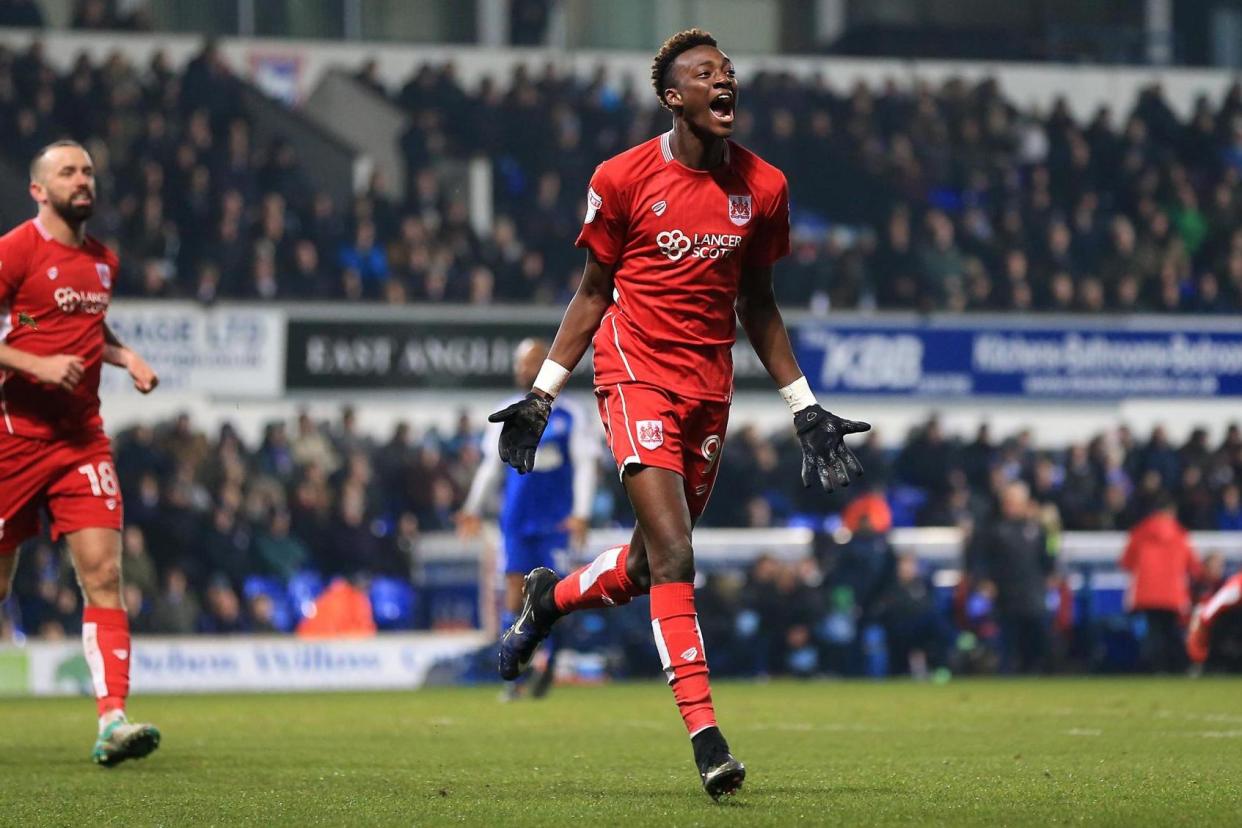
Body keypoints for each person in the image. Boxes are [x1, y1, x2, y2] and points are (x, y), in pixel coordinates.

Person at [487, 29, 869, 800]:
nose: (723, 80)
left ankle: (549, 598)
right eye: (705, 73)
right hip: (635, 376)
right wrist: (544, 393)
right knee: (675, 556)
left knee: (645, 564)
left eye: (727, 71)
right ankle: (708, 740)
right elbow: (594, 293)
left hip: (709, 388)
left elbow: (758, 306)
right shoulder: (622, 177)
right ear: (675, 96)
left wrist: (804, 406)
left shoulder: (763, 187)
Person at [0, 140, 162, 766]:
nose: (82, 179)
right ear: (40, 189)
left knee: (104, 575)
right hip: (13, 438)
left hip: (80, 443)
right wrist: (34, 362)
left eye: (89, 170)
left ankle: (112, 720)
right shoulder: (17, 249)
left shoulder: (102, 261)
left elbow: (93, 327)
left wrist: (125, 357)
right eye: (68, 172)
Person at [457, 338, 597, 700]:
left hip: (556, 523)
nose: (524, 370)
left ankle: (551, 665)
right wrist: (472, 508)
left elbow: (585, 466)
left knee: (556, 597)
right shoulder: (505, 411)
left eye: (531, 363)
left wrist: (582, 514)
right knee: (514, 596)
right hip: (516, 521)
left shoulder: (571, 414)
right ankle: (514, 678)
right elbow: (491, 467)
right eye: (520, 364)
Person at [966, 481, 1053, 674]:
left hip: (1032, 595)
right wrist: (984, 582)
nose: (1011, 505)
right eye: (1008, 500)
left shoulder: (1037, 529)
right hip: (1005, 595)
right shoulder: (991, 529)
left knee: (1036, 641)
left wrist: (1051, 575)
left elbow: (1047, 558)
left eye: (1016, 501)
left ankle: (1037, 673)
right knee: (1007, 644)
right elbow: (979, 559)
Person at [1120, 497, 1202, 673]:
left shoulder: (1139, 532)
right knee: (1172, 631)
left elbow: (1126, 562)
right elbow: (1194, 567)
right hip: (1172, 593)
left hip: (1146, 593)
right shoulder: (1180, 534)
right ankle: (1180, 667)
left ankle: (1154, 669)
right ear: (1171, 512)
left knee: (1153, 632)